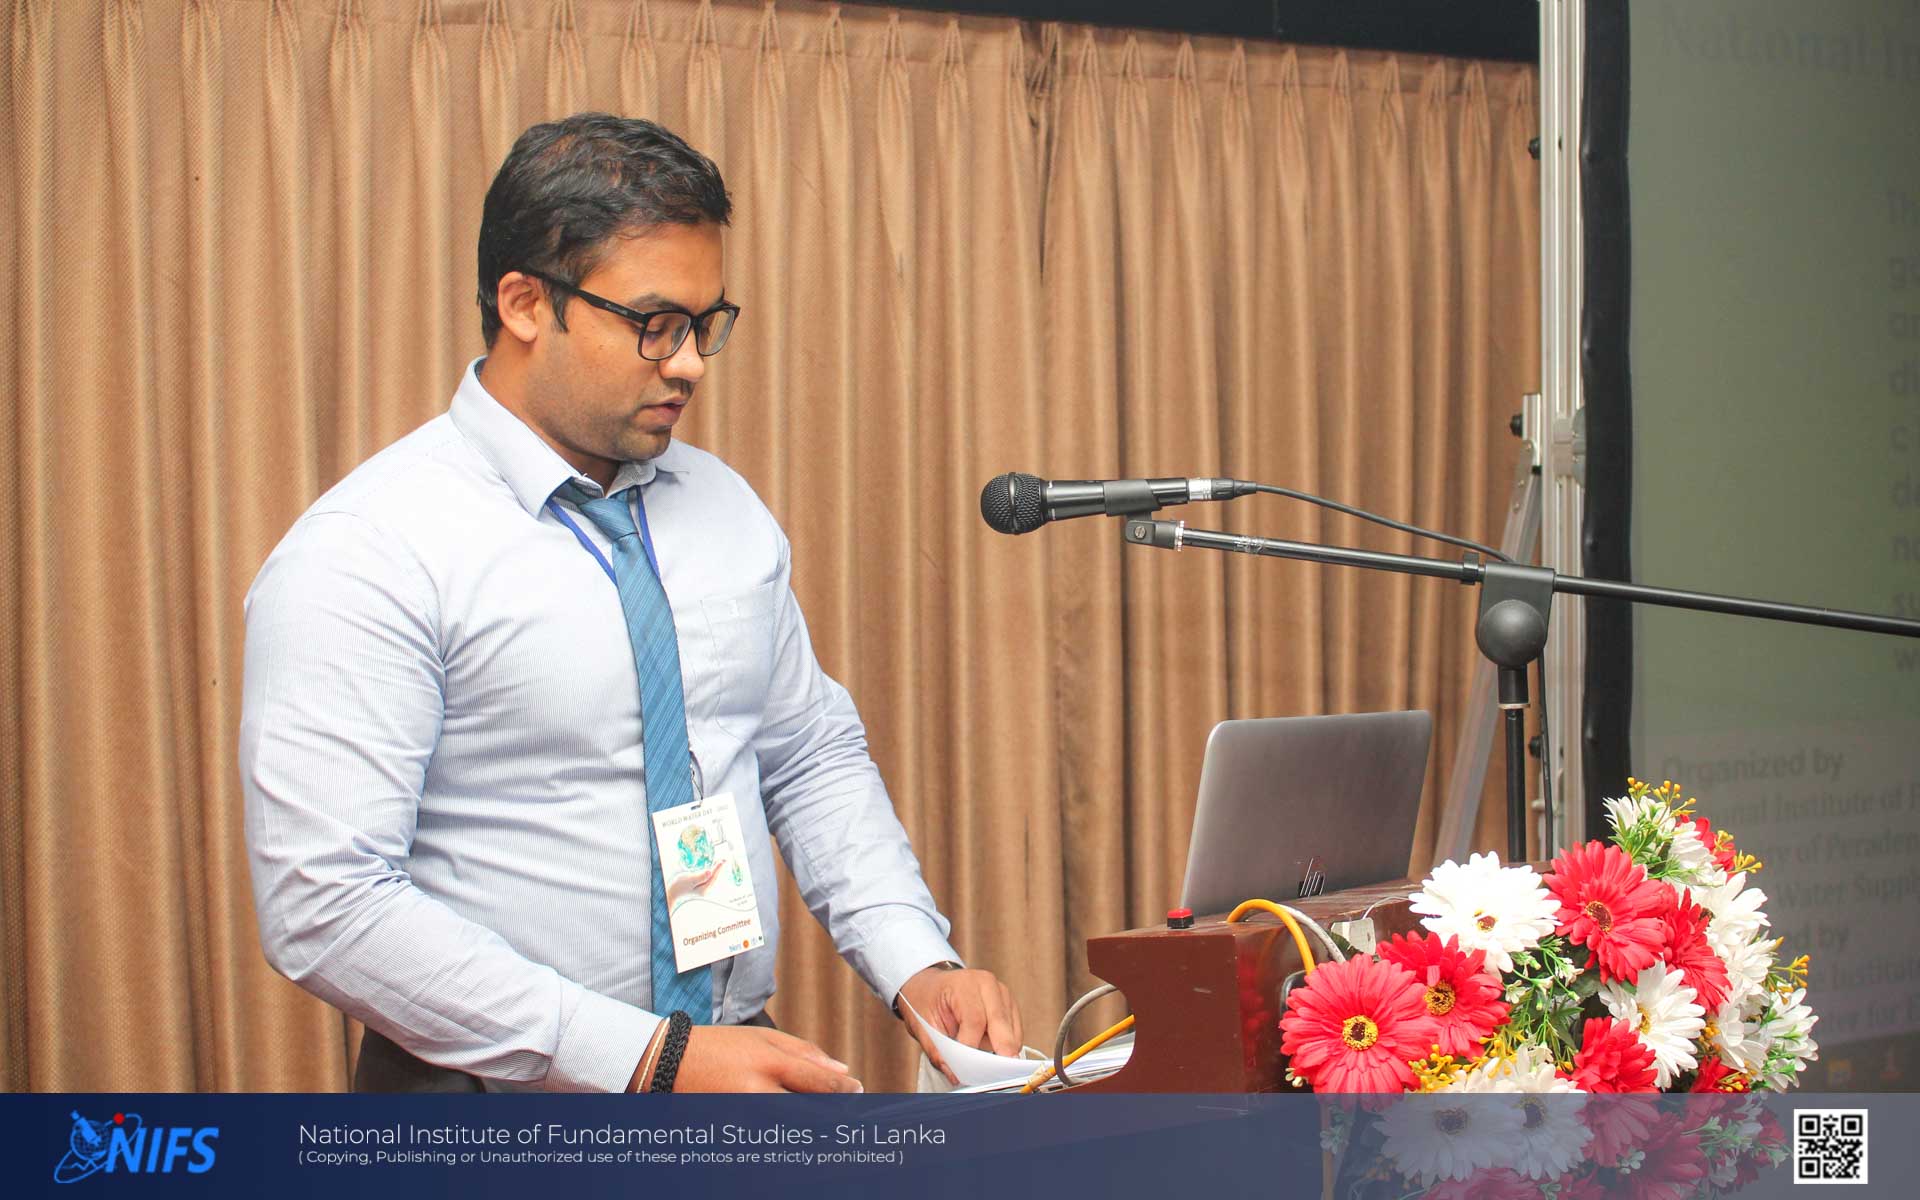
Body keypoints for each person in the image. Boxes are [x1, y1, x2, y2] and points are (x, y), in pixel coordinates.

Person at [240, 112, 1022, 1093]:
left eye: (704, 324)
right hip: (496, 1096)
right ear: (527, 303)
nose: (689, 362)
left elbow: (804, 755)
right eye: (654, 324)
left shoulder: (724, 508)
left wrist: (915, 958)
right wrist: (646, 1058)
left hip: (727, 1054)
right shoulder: (371, 548)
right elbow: (325, 903)